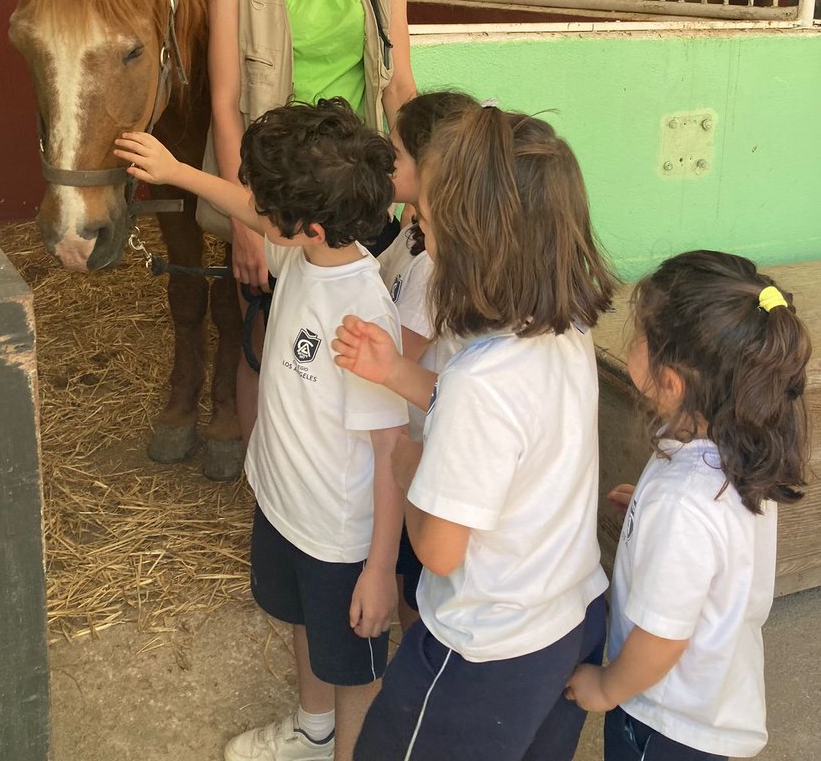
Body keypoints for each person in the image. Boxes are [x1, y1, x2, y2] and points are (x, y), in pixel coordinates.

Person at [115, 99, 409, 761]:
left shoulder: (361, 316)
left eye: (263, 203)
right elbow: (253, 211)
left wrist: (380, 569)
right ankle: (313, 730)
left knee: (354, 672)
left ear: (303, 225)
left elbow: (391, 449)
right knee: (302, 623)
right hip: (287, 509)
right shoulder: (306, 255)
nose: (250, 210)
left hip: (341, 541)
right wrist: (178, 172)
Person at [332, 104, 616, 761]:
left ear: (473, 241)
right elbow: (501, 435)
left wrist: (404, 464)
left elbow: (438, 550)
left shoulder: (480, 383)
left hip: (482, 651)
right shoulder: (562, 329)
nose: (417, 233)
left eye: (426, 226)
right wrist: (398, 371)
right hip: (571, 616)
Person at [206, 0, 416, 441]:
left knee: (353, 332)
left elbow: (397, 81)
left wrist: (418, 179)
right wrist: (246, 217)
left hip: (353, 182)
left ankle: (342, 480)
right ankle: (265, 484)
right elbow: (224, 100)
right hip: (273, 185)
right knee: (264, 330)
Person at [565, 250, 812, 761]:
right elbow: (716, 546)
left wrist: (606, 687)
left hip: (667, 726)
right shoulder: (739, 448)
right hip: (713, 702)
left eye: (639, 333)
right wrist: (647, 511)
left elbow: (661, 640)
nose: (630, 337)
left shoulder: (683, 504)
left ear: (672, 381)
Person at [376, 89, 477, 629]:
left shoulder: (429, 265)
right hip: (414, 442)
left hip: (417, 447)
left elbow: (398, 359)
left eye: (396, 153)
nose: (386, 162)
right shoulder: (412, 236)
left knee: (420, 583)